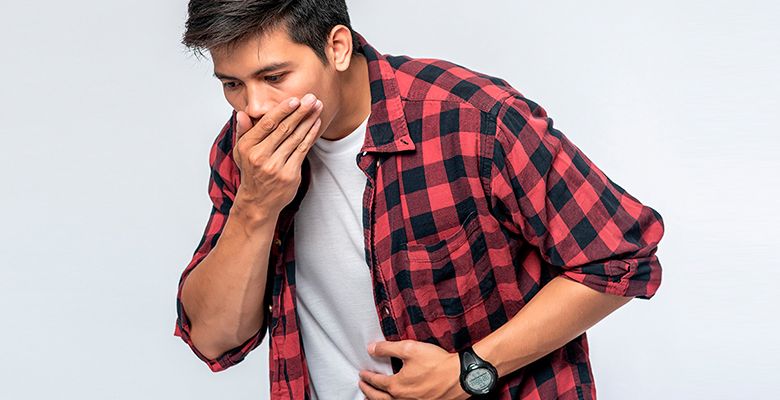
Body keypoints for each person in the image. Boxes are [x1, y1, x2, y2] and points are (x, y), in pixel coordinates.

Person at [172, 1, 665, 399]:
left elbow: (620, 259)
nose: (255, 107)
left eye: (274, 78)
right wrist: (255, 207)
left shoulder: (473, 120)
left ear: (337, 47)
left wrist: (470, 371)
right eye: (233, 84)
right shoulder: (245, 152)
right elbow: (213, 338)